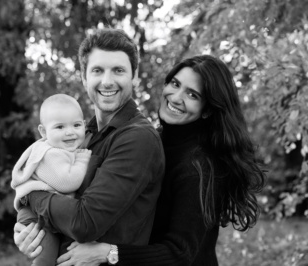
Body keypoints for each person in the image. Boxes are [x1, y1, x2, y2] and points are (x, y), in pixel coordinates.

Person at [48, 55, 266, 265]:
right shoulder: (154, 139)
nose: (176, 97)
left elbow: (180, 253)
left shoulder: (198, 167)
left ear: (207, 110)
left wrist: (108, 253)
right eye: (175, 83)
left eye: (192, 95)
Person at [14, 28, 165, 264]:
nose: (107, 81)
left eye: (118, 70)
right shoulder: (80, 135)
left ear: (134, 76)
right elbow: (62, 205)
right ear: (84, 77)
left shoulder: (137, 138)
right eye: (97, 70)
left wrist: (31, 196)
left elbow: (84, 223)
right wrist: (30, 233)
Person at [11, 94, 92, 266]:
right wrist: (83, 160)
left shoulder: (61, 149)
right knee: (45, 258)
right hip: (35, 216)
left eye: (76, 125)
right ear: (43, 131)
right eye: (60, 127)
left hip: (45, 211)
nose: (69, 132)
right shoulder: (50, 154)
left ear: (84, 125)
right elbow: (68, 182)